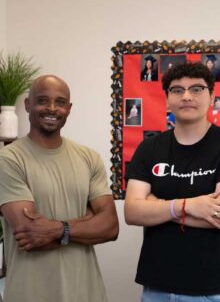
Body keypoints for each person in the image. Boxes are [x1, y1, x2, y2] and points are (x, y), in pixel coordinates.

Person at [0, 75, 119, 302]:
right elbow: (29, 234)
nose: (52, 108)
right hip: (31, 294)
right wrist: (88, 220)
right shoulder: (8, 159)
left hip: (87, 293)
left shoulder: (89, 158)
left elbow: (110, 227)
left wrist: (57, 229)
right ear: (27, 104)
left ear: (69, 108)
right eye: (42, 100)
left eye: (60, 102)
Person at [124, 61, 220, 302]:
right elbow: (132, 212)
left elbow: (217, 216)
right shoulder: (149, 148)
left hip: (212, 288)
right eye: (177, 90)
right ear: (167, 100)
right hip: (157, 286)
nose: (186, 96)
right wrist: (186, 205)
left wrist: (158, 205)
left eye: (196, 89)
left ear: (211, 97)